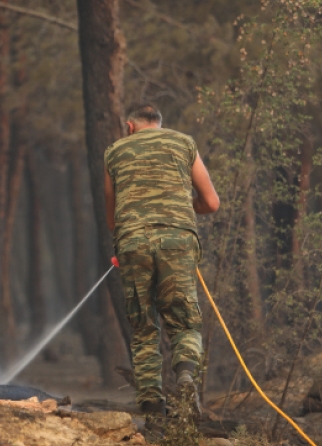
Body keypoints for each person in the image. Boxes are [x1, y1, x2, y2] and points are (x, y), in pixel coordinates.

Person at [104, 103, 220, 424]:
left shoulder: (114, 152)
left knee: (143, 329)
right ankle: (184, 379)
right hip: (177, 242)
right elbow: (211, 202)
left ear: (130, 127)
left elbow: (112, 219)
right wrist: (182, 206)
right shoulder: (183, 143)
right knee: (184, 323)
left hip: (132, 243)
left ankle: (153, 415)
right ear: (159, 125)